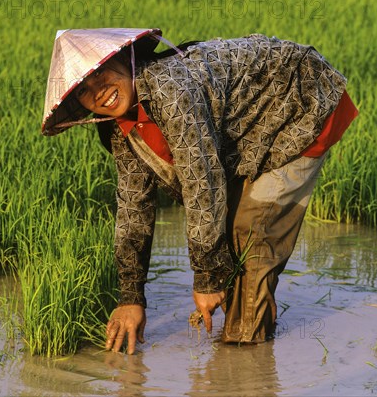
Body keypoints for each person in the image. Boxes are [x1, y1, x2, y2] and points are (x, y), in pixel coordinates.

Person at [41, 28, 358, 354]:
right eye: (83, 89)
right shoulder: (119, 129)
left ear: (125, 59)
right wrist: (130, 298)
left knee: (251, 232)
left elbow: (202, 182)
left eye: (100, 73)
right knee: (231, 239)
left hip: (299, 102)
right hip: (246, 138)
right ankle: (257, 319)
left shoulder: (171, 88)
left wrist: (206, 279)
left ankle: (244, 363)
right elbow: (134, 207)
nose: (98, 92)